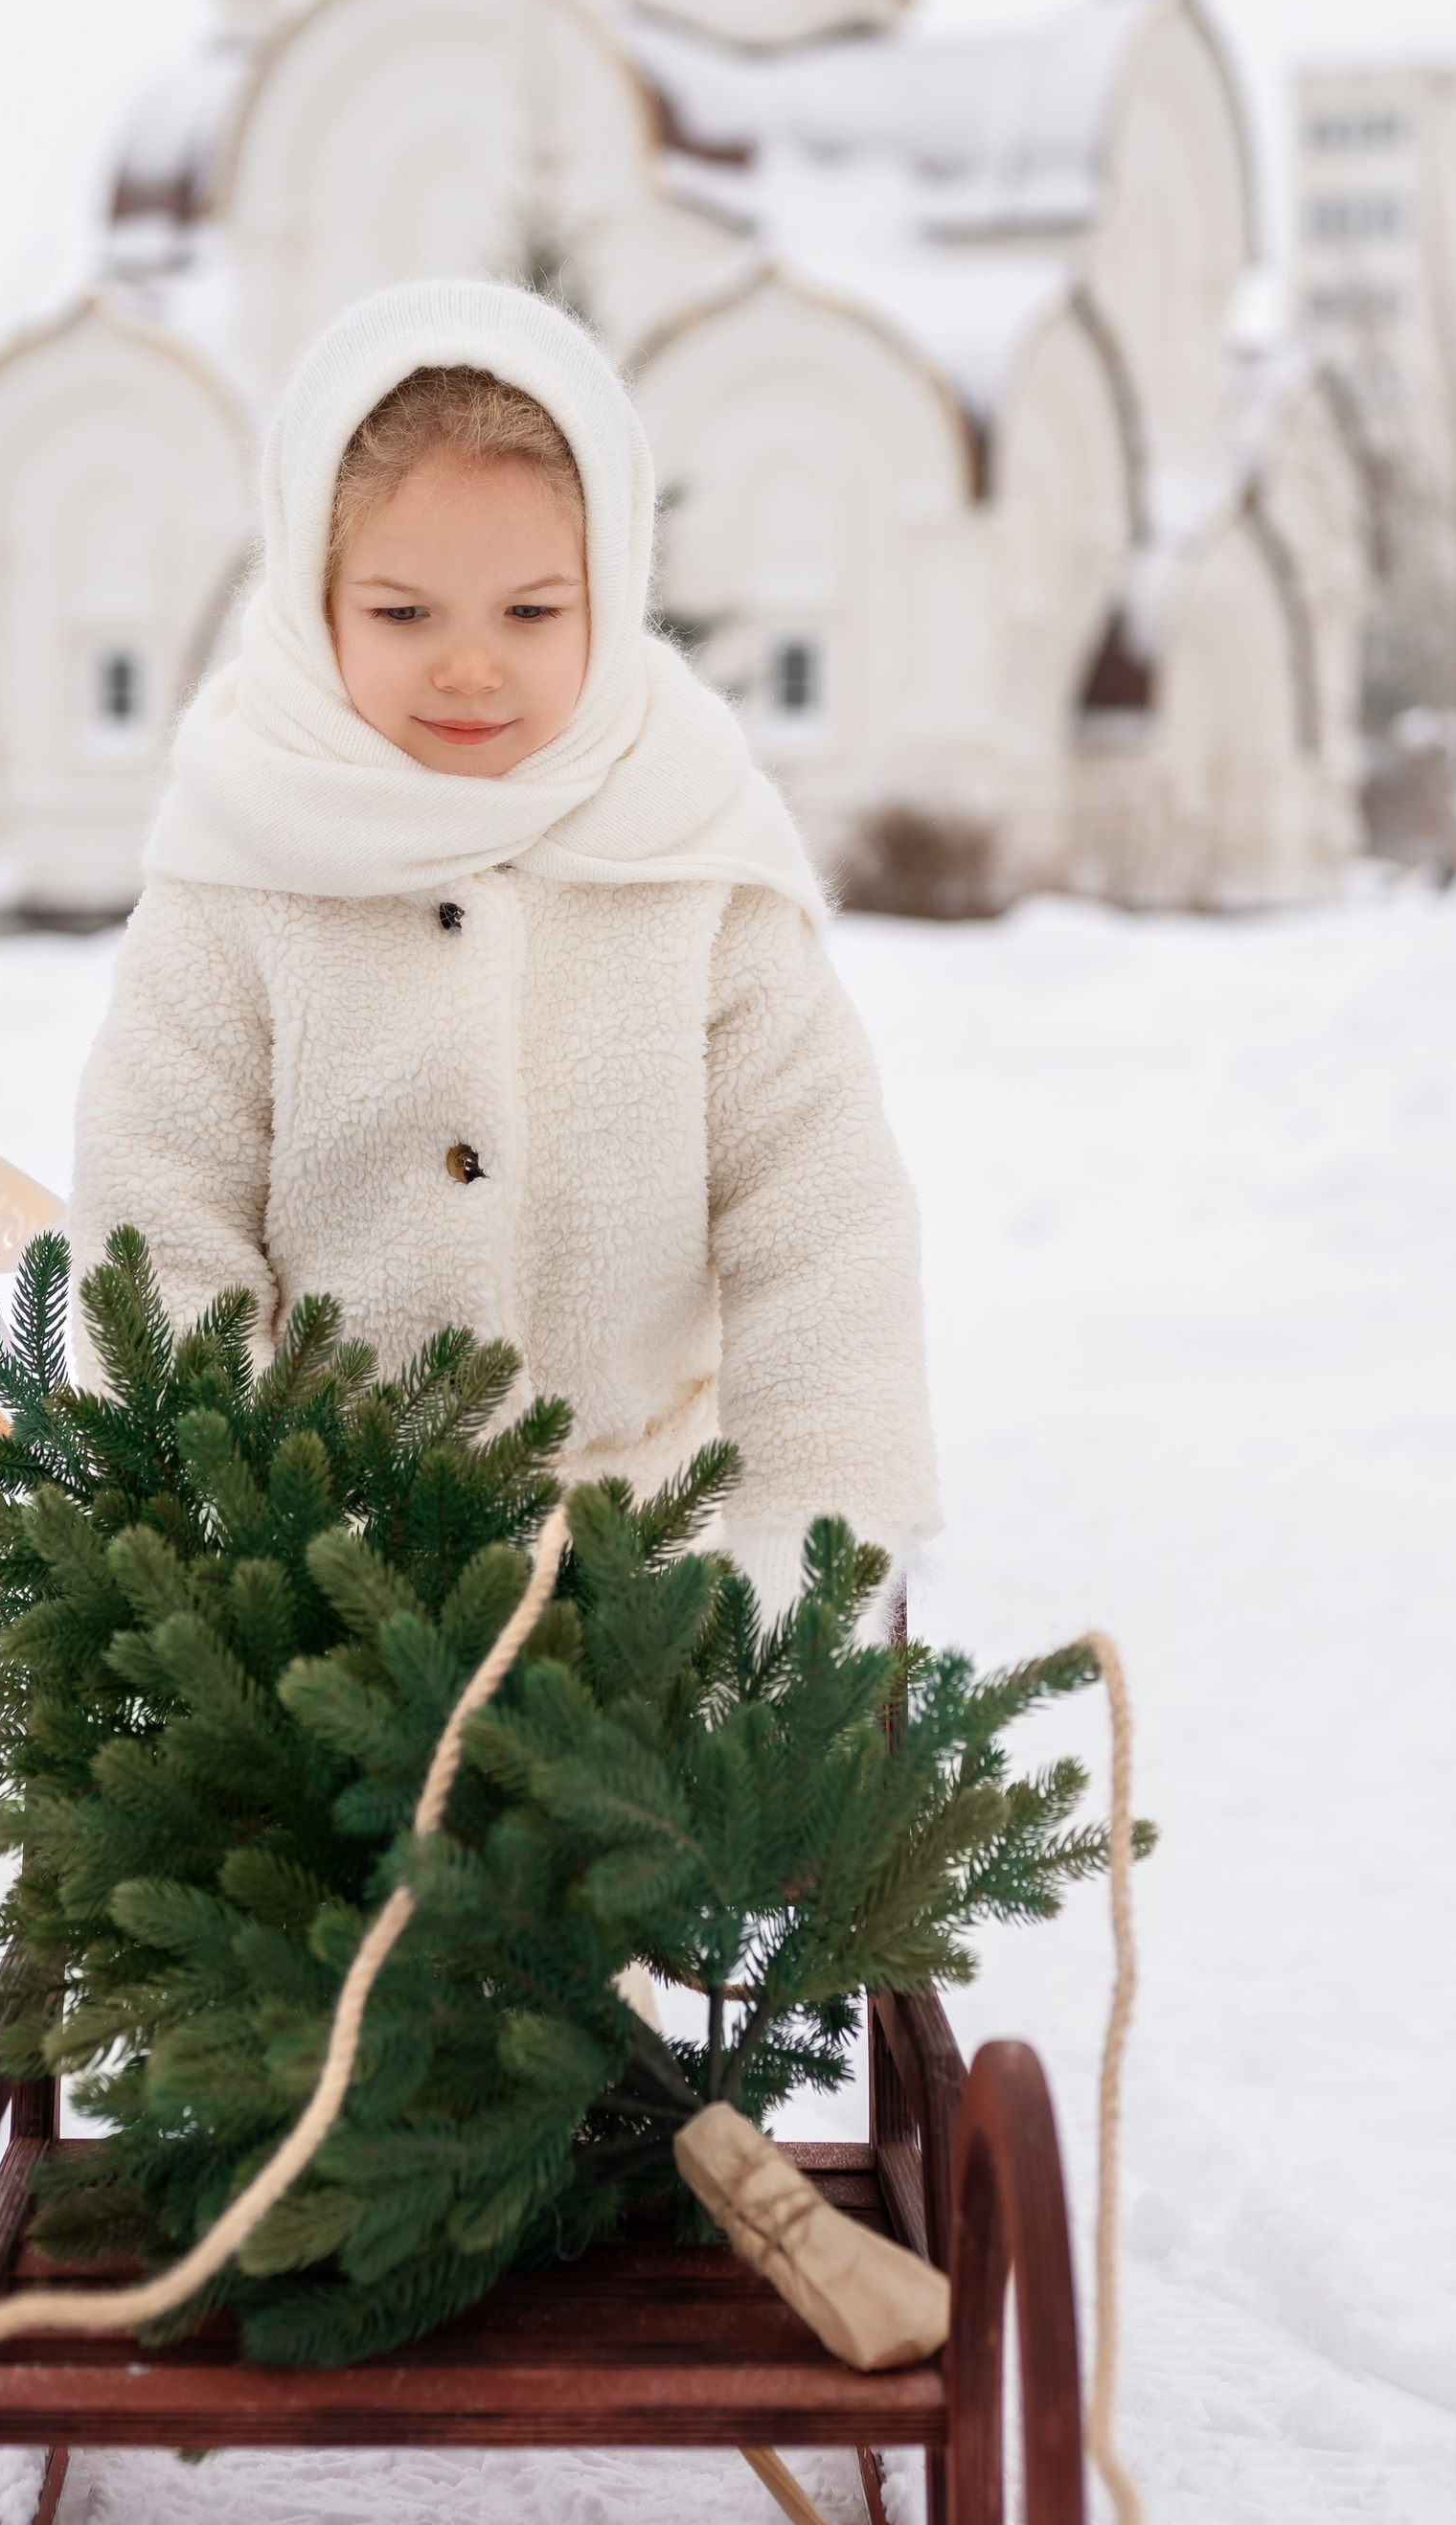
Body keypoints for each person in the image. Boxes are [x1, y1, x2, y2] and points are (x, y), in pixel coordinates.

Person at [71, 277, 936, 1603]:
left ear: (612, 591)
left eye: (531, 613)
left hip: (651, 1574)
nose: (469, 669)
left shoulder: (699, 858)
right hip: (330, 1584)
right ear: (313, 595)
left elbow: (819, 1220)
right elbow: (162, 1216)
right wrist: (218, 1539)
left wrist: (813, 1539)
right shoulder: (239, 869)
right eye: (402, 614)